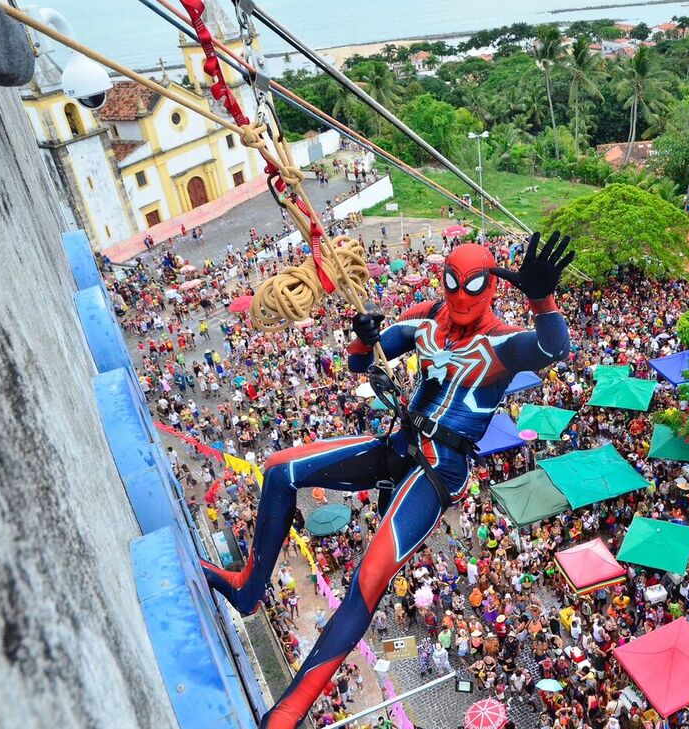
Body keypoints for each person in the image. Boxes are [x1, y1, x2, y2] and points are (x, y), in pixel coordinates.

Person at [200, 234, 574, 727]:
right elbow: (363, 358)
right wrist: (362, 333)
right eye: (452, 285)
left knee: (367, 582)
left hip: (438, 469)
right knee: (278, 469)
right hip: (398, 442)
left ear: (490, 289)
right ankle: (248, 586)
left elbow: (552, 348)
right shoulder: (429, 318)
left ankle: (289, 710)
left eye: (473, 287)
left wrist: (542, 298)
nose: (460, 298)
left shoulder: (501, 344)